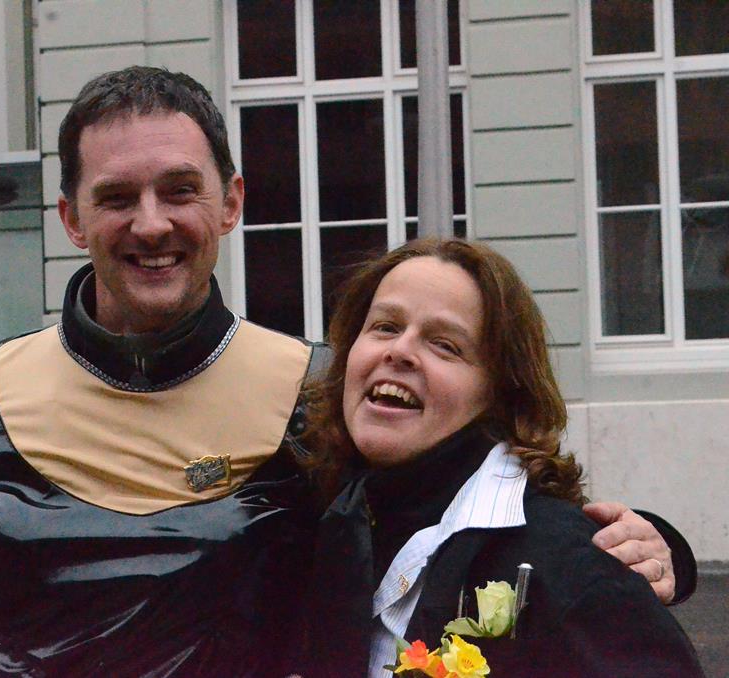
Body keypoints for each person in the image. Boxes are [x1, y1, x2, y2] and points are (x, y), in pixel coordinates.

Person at [0, 67, 692, 677]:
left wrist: (651, 548)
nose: (151, 224)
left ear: (230, 202)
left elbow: (466, 502)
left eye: (180, 190)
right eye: (117, 196)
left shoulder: (314, 392)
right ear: (71, 217)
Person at [299, 239, 703, 676]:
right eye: (384, 326)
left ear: (500, 391)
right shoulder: (313, 509)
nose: (398, 351)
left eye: (445, 344)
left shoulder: (571, 561)